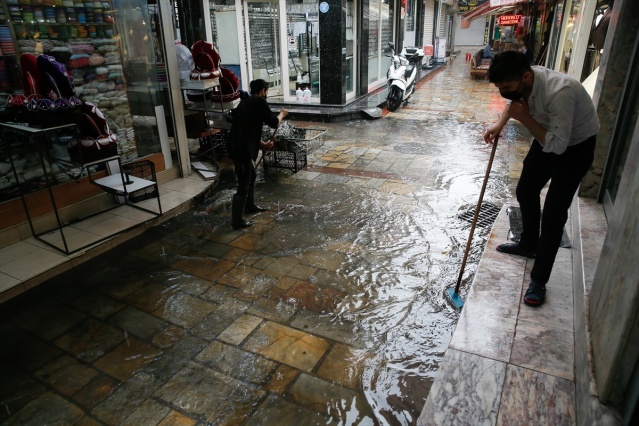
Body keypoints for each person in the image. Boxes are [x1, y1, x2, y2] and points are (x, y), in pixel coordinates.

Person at [483, 51, 599, 307]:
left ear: (526, 76)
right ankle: (528, 245)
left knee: (554, 215)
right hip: (547, 136)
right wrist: (499, 124)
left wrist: (525, 119)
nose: (505, 92)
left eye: (508, 87)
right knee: (525, 190)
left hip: (575, 148)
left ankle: (539, 280)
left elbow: (558, 146)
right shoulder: (522, 80)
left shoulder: (561, 92)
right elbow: (513, 105)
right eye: (500, 88)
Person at [229, 79, 288, 229]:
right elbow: (274, 122)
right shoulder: (258, 101)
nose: (266, 94)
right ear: (263, 90)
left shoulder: (247, 102)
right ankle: (237, 220)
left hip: (240, 144)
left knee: (252, 176)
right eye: (267, 91)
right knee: (244, 181)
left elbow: (249, 129)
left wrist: (262, 145)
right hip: (240, 148)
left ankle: (250, 205)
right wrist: (282, 114)